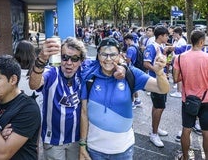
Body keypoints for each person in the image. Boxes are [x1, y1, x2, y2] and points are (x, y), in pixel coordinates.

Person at [79, 37, 170, 160]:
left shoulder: (131, 74)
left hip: (123, 149)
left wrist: (159, 72)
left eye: (113, 54)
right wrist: (82, 144)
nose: (108, 59)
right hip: (95, 149)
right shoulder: (89, 74)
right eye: (104, 54)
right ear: (98, 55)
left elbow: (162, 89)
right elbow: (84, 112)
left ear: (120, 55)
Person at [173, 30, 208, 160]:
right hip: (206, 100)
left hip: (187, 99)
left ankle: (185, 157)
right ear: (201, 42)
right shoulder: (207, 58)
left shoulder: (180, 57)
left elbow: (176, 79)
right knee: (206, 132)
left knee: (186, 130)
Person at [143, 26, 169, 148]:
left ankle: (155, 128)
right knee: (159, 107)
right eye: (166, 35)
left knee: (158, 106)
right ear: (160, 36)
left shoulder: (161, 46)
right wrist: (158, 72)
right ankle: (154, 134)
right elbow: (146, 63)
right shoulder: (152, 46)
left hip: (162, 80)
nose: (168, 37)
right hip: (156, 81)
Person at [124, 34, 142, 109]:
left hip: (131, 69)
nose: (125, 42)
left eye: (125, 41)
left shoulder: (130, 49)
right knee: (134, 85)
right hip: (136, 68)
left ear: (128, 40)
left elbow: (128, 60)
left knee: (130, 86)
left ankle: (131, 103)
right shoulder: (135, 46)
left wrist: (123, 57)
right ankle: (137, 100)